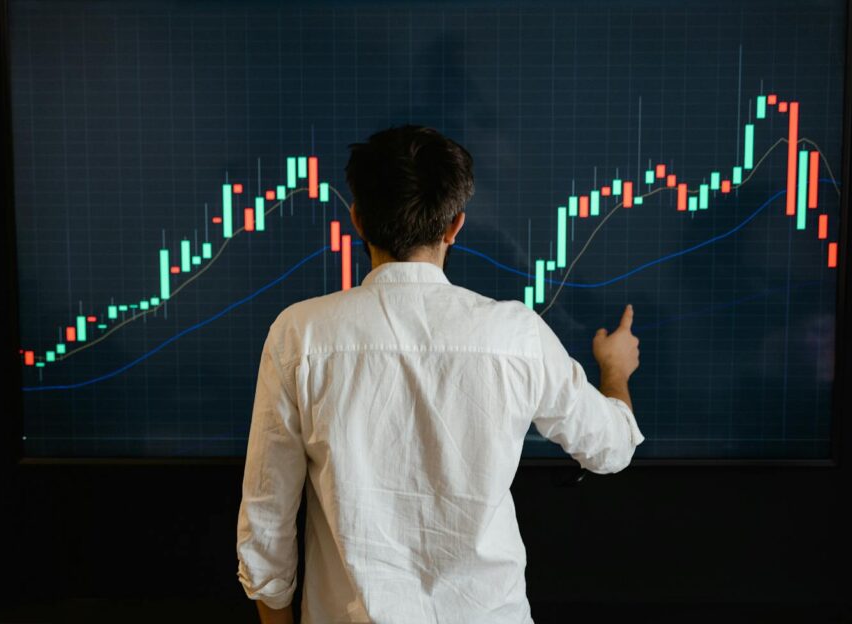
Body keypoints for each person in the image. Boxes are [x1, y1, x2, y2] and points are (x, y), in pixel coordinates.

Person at [236, 125, 644, 624]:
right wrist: (615, 370)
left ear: (357, 221)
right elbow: (612, 448)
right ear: (455, 226)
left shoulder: (299, 336)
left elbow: (267, 525)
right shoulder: (516, 335)